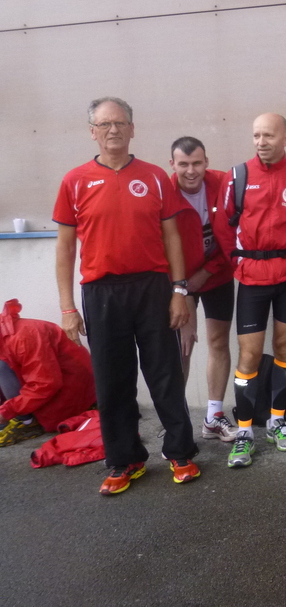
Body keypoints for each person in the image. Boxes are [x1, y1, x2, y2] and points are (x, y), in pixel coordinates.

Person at [53, 97, 199, 495]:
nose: (113, 130)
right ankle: (125, 460)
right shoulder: (74, 180)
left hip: (153, 288)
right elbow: (65, 249)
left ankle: (180, 453)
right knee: (112, 382)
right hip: (101, 292)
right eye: (105, 124)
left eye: (120, 123)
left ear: (133, 129)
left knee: (165, 374)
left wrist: (179, 290)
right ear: (92, 132)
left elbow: (172, 237)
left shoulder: (154, 177)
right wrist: (67, 307)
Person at [216, 113, 286, 468]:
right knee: (250, 354)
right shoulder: (237, 176)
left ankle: (277, 421)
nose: (261, 142)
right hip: (252, 278)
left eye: (269, 135)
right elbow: (224, 226)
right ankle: (244, 432)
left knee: (285, 347)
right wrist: (239, 264)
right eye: (257, 135)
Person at [169, 136, 239, 442]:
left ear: (206, 162)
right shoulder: (164, 192)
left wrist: (208, 272)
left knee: (218, 341)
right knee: (182, 347)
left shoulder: (223, 183)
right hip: (179, 282)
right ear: (172, 164)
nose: (191, 171)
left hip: (217, 274)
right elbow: (160, 247)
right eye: (183, 164)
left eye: (197, 163)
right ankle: (176, 419)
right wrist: (182, 290)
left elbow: (235, 236)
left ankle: (213, 417)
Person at [0, 299, 96, 446]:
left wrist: (7, 410)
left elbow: (46, 384)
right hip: (53, 385)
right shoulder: (7, 334)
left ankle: (26, 422)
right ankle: (23, 417)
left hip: (73, 391)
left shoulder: (23, 336)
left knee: (1, 365)